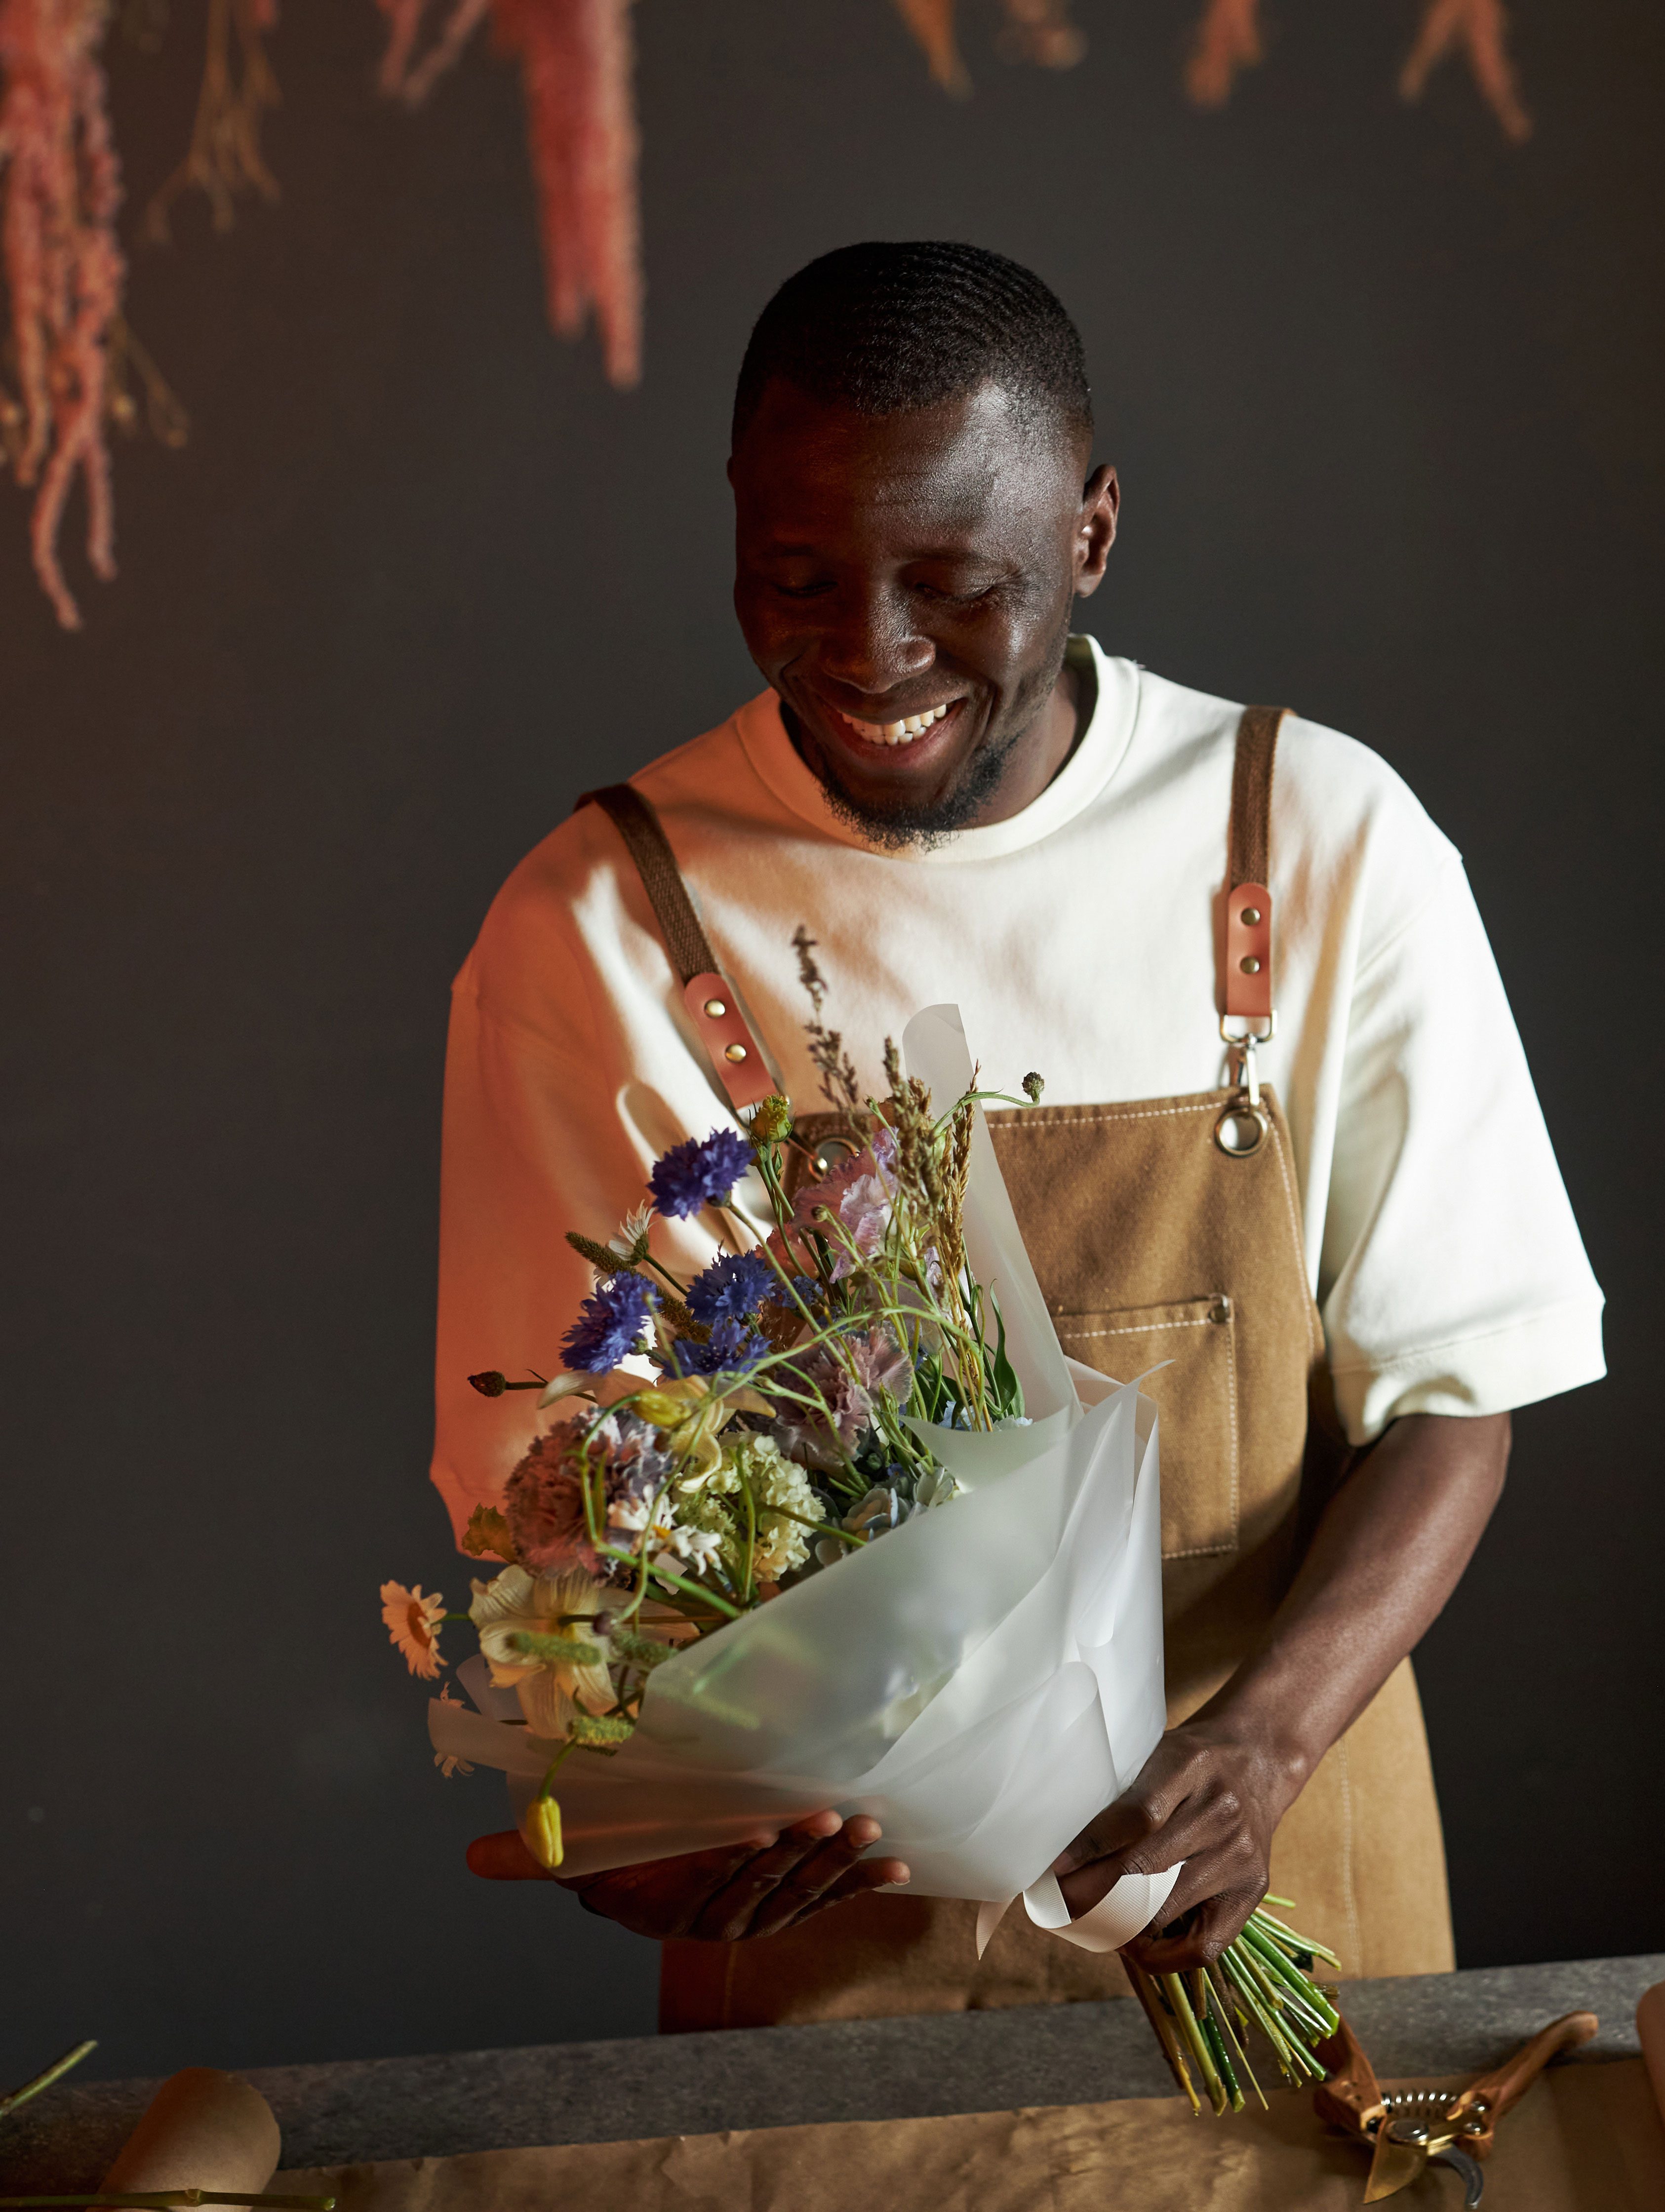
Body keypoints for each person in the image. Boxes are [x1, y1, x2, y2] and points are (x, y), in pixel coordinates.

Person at [435, 240, 1605, 2029]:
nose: (872, 653)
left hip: (1270, 1845)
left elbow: (1459, 1397)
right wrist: (625, 1818)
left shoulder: (1308, 838)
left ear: (1092, 532)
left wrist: (1264, 1749)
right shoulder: (600, 919)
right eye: (796, 578)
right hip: (829, 1905)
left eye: (953, 582)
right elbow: (559, 1509)